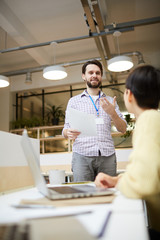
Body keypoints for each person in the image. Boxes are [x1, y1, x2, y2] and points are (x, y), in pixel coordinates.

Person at [95, 65, 160, 240]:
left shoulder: (148, 120)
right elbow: (143, 171)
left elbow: (144, 183)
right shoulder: (153, 118)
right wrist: (116, 180)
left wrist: (118, 185)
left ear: (129, 95)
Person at [62, 59, 126, 182]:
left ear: (101, 76)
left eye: (97, 73)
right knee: (83, 193)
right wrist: (67, 132)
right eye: (90, 72)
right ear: (84, 76)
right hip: (82, 156)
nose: (94, 76)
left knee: (107, 193)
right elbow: (65, 129)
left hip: (107, 156)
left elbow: (123, 129)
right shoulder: (74, 102)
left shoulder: (110, 101)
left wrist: (113, 113)